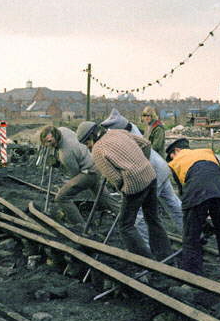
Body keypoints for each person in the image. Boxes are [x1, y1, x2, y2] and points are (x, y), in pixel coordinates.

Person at [77, 121, 171, 261]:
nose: (88, 146)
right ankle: (165, 256)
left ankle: (145, 262)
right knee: (153, 219)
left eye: (87, 143)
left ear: (92, 136)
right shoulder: (118, 132)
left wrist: (122, 187)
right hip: (150, 176)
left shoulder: (97, 150)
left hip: (134, 185)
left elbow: (116, 178)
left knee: (125, 226)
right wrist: (140, 163)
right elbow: (146, 144)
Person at [166, 138, 220, 287]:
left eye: (171, 155)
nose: (171, 159)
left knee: (190, 239)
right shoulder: (207, 153)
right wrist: (207, 222)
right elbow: (215, 177)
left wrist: (198, 223)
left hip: (196, 193)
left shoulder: (176, 161)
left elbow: (184, 193)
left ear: (177, 151)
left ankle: (191, 283)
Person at [100, 109, 183, 238]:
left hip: (151, 174)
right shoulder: (131, 128)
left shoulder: (128, 137)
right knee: (173, 204)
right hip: (161, 168)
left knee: (140, 213)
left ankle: (146, 245)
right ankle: (191, 233)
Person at [39, 125, 116, 226]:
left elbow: (74, 174)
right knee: (104, 197)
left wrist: (58, 165)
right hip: (95, 163)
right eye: (45, 142)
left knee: (62, 197)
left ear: (55, 136)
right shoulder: (63, 129)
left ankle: (79, 225)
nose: (47, 145)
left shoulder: (65, 154)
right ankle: (128, 219)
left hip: (88, 172)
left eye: (49, 141)